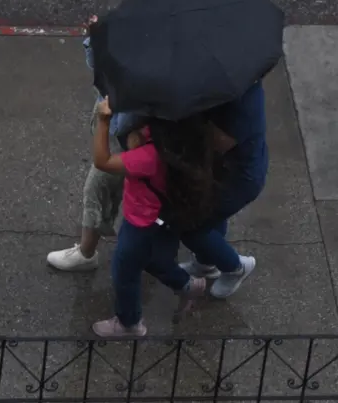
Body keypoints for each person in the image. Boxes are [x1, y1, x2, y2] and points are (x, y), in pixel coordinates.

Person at [91, 97, 208, 337]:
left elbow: (102, 161)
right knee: (152, 259)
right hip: (163, 217)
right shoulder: (183, 142)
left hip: (140, 221)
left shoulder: (149, 157)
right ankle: (187, 285)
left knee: (124, 270)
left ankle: (129, 322)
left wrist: (103, 121)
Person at [46, 29, 143, 271]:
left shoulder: (142, 82)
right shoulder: (134, 57)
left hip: (123, 142)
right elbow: (99, 73)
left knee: (96, 189)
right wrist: (95, 39)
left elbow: (111, 146)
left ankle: (86, 253)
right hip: (119, 136)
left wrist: (104, 117)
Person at [177, 79, 268, 298]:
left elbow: (215, 144)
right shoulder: (238, 83)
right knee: (213, 217)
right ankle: (206, 262)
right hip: (225, 171)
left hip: (238, 179)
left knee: (189, 226)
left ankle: (235, 267)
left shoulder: (241, 101)